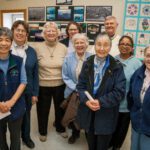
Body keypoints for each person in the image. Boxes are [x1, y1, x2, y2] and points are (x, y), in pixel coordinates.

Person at [76, 32, 126, 150]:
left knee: (102, 146)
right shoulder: (87, 63)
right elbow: (80, 87)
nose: (102, 48)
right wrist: (86, 101)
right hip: (88, 113)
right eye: (99, 44)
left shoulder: (117, 66)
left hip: (106, 114)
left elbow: (119, 92)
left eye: (106, 45)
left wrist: (100, 102)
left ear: (110, 46)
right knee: (91, 144)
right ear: (94, 46)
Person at [35, 22, 67, 142]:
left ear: (58, 33)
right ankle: (42, 131)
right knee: (42, 110)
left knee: (60, 109)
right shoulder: (37, 47)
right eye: (48, 31)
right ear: (44, 34)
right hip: (43, 85)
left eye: (54, 31)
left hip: (60, 84)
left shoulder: (63, 48)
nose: (51, 33)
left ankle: (60, 128)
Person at [109, 35, 142, 150]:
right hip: (112, 103)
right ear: (118, 46)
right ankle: (109, 144)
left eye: (128, 44)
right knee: (110, 127)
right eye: (122, 43)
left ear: (132, 48)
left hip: (127, 105)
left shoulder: (137, 63)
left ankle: (116, 147)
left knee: (122, 130)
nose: (124, 46)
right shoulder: (112, 60)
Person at [11, 20, 39, 149]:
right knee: (10, 117)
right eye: (18, 30)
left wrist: (35, 93)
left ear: (27, 34)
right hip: (9, 91)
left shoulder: (32, 51)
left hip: (27, 91)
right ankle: (13, 140)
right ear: (13, 31)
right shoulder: (5, 48)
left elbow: (35, 74)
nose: (20, 33)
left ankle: (26, 138)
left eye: (23, 31)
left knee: (26, 116)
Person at [62, 33, 92, 144]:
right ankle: (75, 134)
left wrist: (83, 90)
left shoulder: (92, 57)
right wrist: (77, 88)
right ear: (74, 45)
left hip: (87, 93)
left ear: (86, 44)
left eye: (82, 42)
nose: (79, 45)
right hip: (72, 91)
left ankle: (89, 135)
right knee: (73, 114)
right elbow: (65, 76)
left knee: (87, 114)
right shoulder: (68, 58)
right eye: (77, 43)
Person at [0, 27, 27, 150]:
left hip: (16, 106)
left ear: (11, 42)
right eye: (0, 40)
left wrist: (11, 102)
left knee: (16, 138)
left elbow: (23, 82)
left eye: (7, 40)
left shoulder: (18, 61)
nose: (3, 43)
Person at [127, 46, 150, 150]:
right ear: (144, 57)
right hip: (136, 121)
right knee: (134, 147)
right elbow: (130, 95)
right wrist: (133, 111)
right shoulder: (138, 74)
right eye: (148, 56)